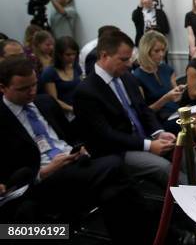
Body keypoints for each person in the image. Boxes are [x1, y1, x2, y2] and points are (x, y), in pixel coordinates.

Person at [0, 56, 154, 244]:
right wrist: (43, 173)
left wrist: (80, 149)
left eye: (34, 85)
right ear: (2, 88)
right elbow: (8, 176)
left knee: (114, 192)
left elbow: (71, 137)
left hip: (73, 166)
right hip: (41, 180)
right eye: (23, 89)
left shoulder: (45, 102)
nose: (31, 92)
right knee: (114, 165)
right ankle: (164, 234)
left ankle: (146, 239)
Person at [73, 30, 178, 190]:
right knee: (164, 168)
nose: (130, 64)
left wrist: (158, 132)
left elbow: (143, 109)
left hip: (144, 139)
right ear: (104, 56)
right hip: (118, 150)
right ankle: (191, 207)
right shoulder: (86, 91)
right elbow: (107, 135)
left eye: (130, 58)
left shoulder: (126, 76)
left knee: (186, 150)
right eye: (124, 59)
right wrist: (149, 145)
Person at [133, 30, 196, 160]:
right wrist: (165, 99)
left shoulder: (166, 69)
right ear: (146, 51)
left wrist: (179, 94)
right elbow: (145, 112)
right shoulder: (136, 77)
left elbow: (177, 99)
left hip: (176, 113)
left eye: (163, 50)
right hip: (160, 122)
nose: (161, 54)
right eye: (156, 51)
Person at [40, 36, 82, 122]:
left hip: (79, 108)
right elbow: (54, 100)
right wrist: (72, 109)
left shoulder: (75, 66)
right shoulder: (49, 72)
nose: (72, 57)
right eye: (68, 54)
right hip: (65, 114)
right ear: (59, 54)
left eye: (74, 54)